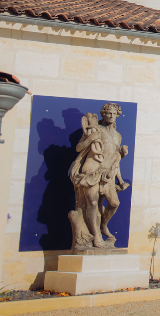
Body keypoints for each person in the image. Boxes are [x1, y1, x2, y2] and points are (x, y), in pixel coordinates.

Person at [68, 102, 129, 249]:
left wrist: (119, 177)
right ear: (103, 114)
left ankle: (103, 226)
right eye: (108, 113)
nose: (111, 116)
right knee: (93, 203)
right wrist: (90, 139)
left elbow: (115, 159)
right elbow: (79, 147)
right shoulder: (96, 129)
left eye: (114, 114)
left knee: (114, 204)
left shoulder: (117, 136)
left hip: (108, 175)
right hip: (93, 172)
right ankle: (96, 237)